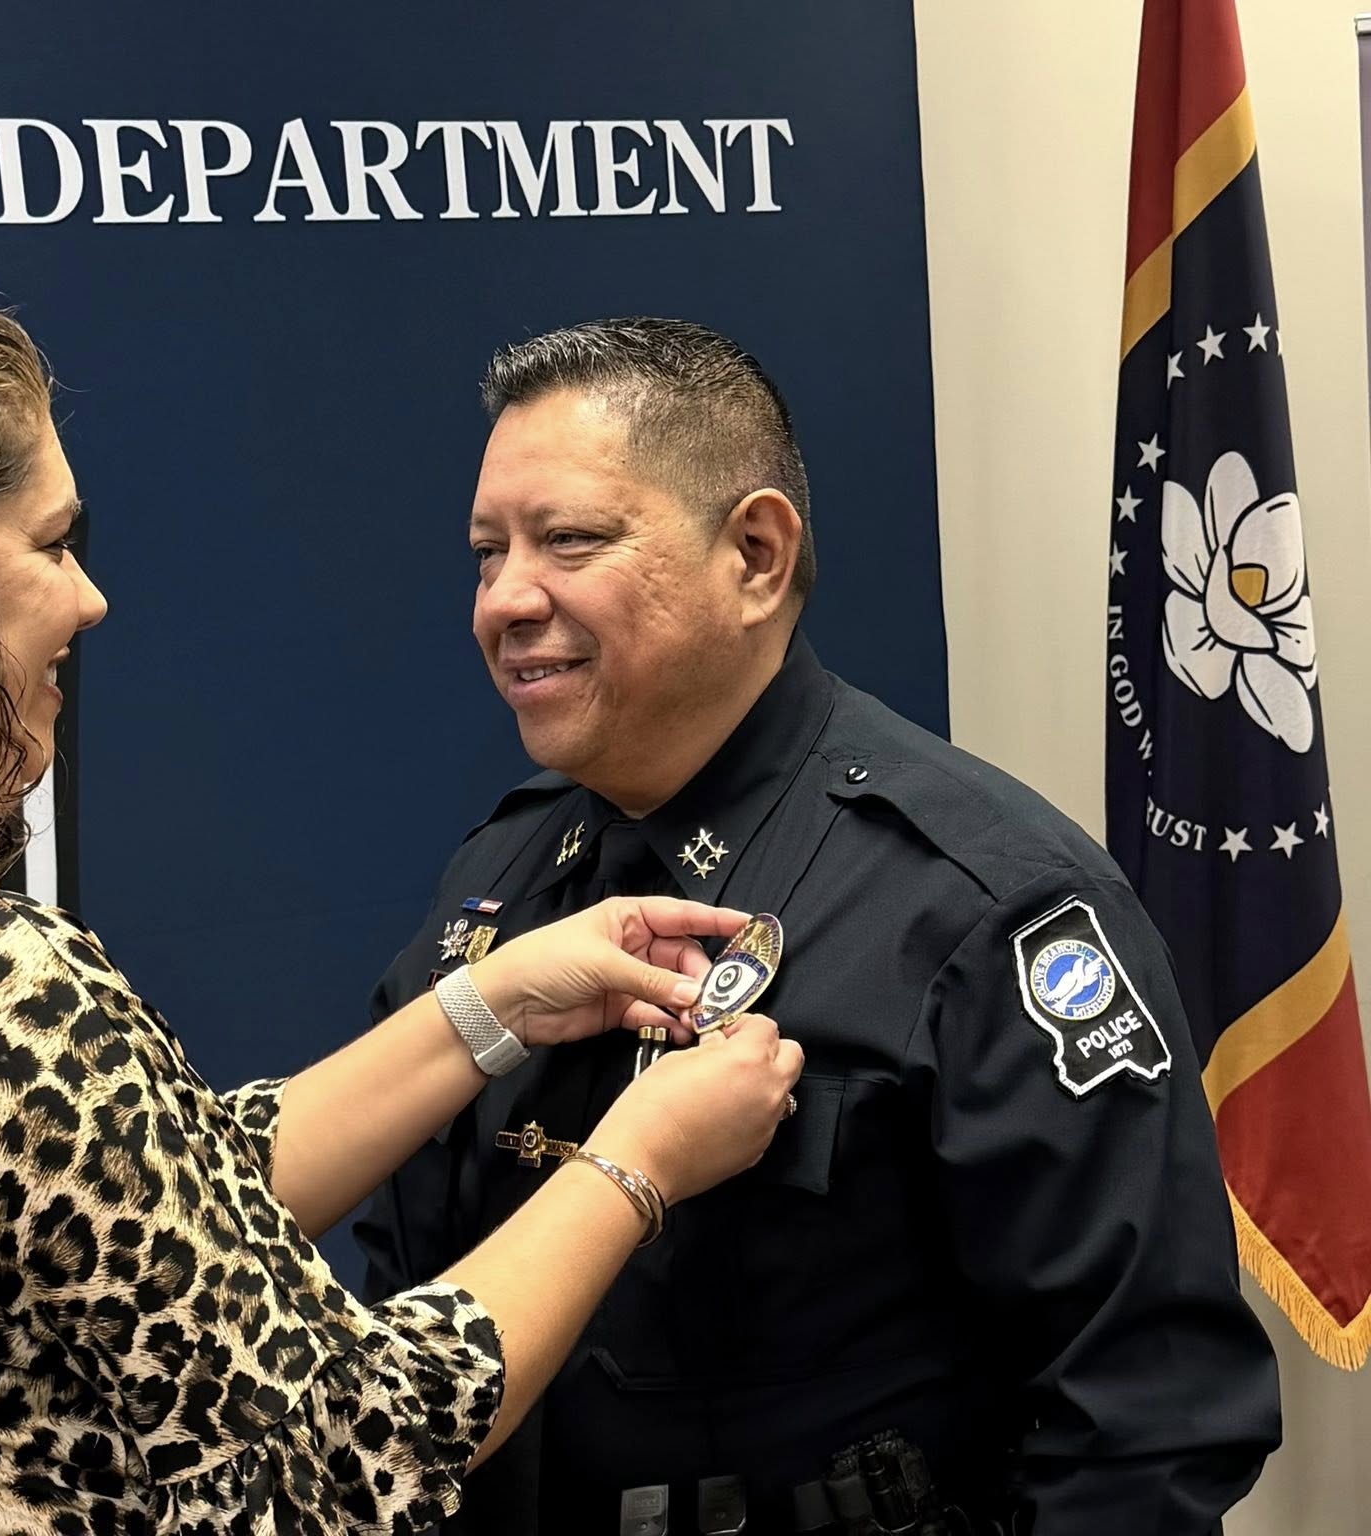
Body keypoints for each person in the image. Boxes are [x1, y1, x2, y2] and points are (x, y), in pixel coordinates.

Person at [0, 245, 805, 1536]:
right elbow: (349, 1448)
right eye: (50, 544)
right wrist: (638, 1157)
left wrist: (486, 1007)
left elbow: (148, 1205)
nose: (88, 601)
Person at [355, 319, 1283, 1534]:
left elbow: (1146, 1421)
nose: (504, 601)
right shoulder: (502, 876)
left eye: (567, 540)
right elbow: (395, 1286)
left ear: (752, 553)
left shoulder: (984, 904)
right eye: (487, 553)